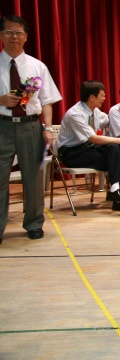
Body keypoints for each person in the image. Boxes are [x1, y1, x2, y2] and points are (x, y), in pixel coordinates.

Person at [0, 14, 62, 243]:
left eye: (18, 32)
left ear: (25, 37)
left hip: (31, 126)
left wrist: (48, 128)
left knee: (33, 178)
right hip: (2, 126)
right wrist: (1, 100)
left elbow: (46, 101)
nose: (14, 36)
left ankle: (34, 223)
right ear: (1, 35)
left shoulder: (37, 66)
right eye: (9, 32)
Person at [56, 80, 120, 212]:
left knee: (115, 149)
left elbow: (109, 120)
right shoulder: (75, 114)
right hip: (72, 153)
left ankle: (116, 190)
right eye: (102, 95)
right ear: (92, 97)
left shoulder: (95, 111)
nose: (104, 98)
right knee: (115, 157)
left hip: (88, 148)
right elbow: (94, 138)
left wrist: (118, 113)